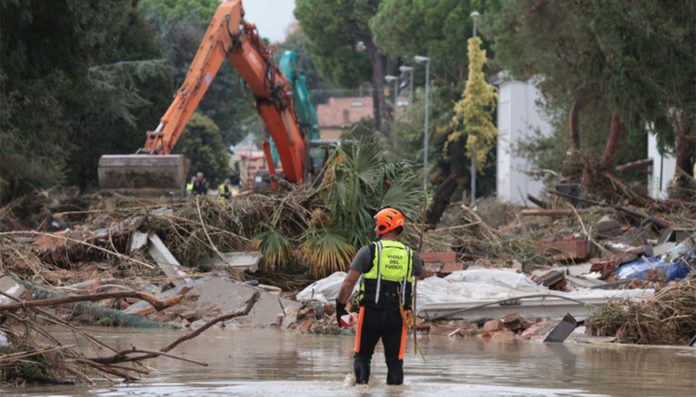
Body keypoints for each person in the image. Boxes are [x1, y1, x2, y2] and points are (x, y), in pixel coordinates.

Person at [335, 207, 424, 386]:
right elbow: (421, 273)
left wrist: (339, 306)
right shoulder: (410, 255)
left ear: (384, 226)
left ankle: (361, 389)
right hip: (398, 317)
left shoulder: (368, 251)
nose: (375, 228)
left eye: (377, 225)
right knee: (395, 362)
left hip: (370, 314)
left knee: (362, 356)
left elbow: (348, 282)